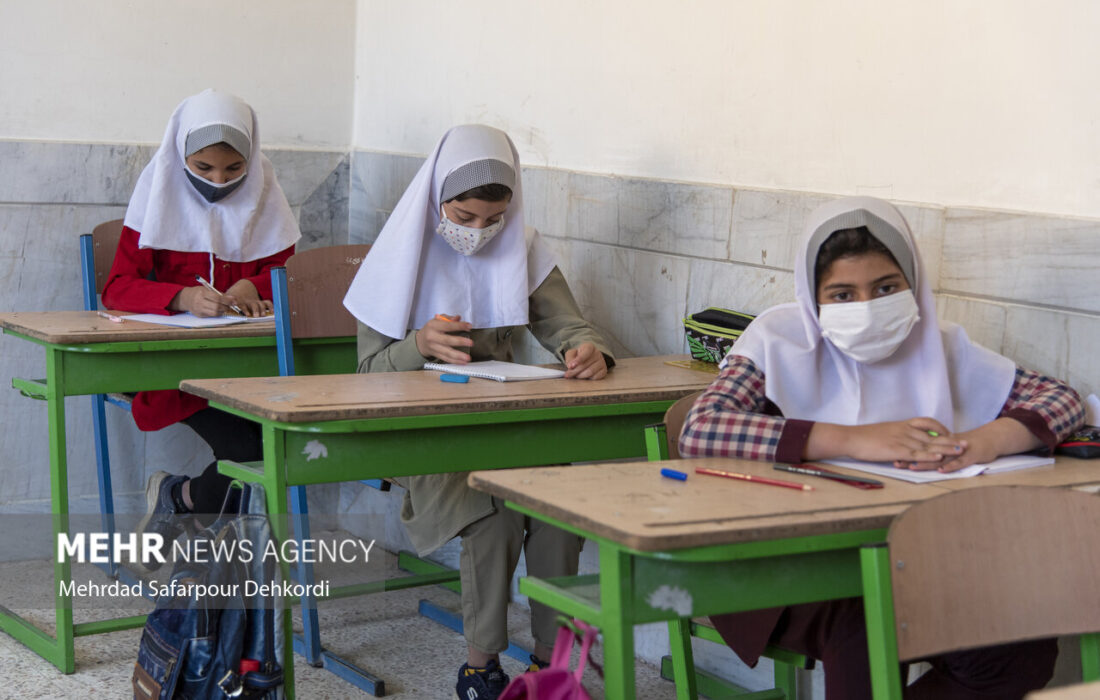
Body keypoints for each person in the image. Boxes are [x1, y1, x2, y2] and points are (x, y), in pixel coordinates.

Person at [679, 196, 1084, 699]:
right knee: (870, 613)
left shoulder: (938, 344)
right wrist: (853, 440)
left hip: (909, 555)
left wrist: (985, 439)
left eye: (886, 288)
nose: (866, 308)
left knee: (1021, 640)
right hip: (774, 567)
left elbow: (1062, 399)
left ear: (912, 283)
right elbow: (701, 428)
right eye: (842, 294)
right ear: (813, 296)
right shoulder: (779, 340)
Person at [343, 124, 614, 700]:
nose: (479, 232)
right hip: (419, 430)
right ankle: (480, 667)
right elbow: (366, 377)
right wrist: (418, 345)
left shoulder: (522, 243)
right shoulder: (398, 254)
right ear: (437, 196)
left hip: (502, 419)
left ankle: (552, 666)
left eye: (494, 220)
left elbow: (567, 322)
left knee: (557, 505)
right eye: (463, 217)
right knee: (492, 513)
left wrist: (584, 348)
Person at [102, 89, 299, 567]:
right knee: (254, 448)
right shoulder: (157, 196)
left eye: (234, 170)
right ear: (180, 157)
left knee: (282, 439)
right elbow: (117, 288)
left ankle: (182, 503)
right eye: (203, 168)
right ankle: (191, 511)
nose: (219, 181)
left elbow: (289, 273)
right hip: (173, 367)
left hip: (246, 366)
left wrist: (254, 284)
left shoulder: (265, 195)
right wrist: (180, 296)